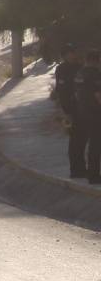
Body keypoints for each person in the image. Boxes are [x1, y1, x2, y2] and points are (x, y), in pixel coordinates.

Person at [56, 45, 85, 177]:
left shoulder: (80, 67)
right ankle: (75, 170)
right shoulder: (61, 69)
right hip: (71, 109)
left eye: (74, 52)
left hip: (83, 109)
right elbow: (62, 92)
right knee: (75, 140)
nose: (73, 55)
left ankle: (81, 168)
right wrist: (66, 112)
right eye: (70, 53)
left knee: (82, 139)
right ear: (65, 55)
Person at [74, 49, 101, 184]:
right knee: (96, 144)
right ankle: (94, 175)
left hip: (82, 112)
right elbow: (98, 95)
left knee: (87, 142)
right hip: (95, 113)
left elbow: (77, 94)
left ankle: (85, 171)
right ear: (97, 61)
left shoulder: (80, 73)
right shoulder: (95, 74)